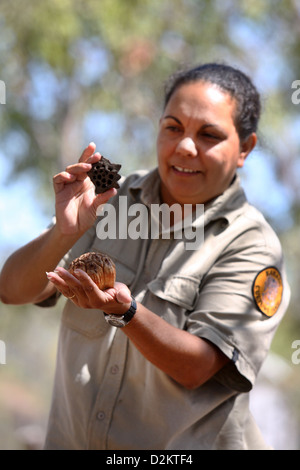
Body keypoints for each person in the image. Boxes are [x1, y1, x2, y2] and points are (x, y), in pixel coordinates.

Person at [0, 63, 290, 450]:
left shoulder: (252, 245)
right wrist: (63, 232)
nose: (186, 146)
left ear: (245, 148)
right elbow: (11, 289)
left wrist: (127, 314)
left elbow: (199, 367)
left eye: (209, 135)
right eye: (173, 127)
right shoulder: (108, 202)